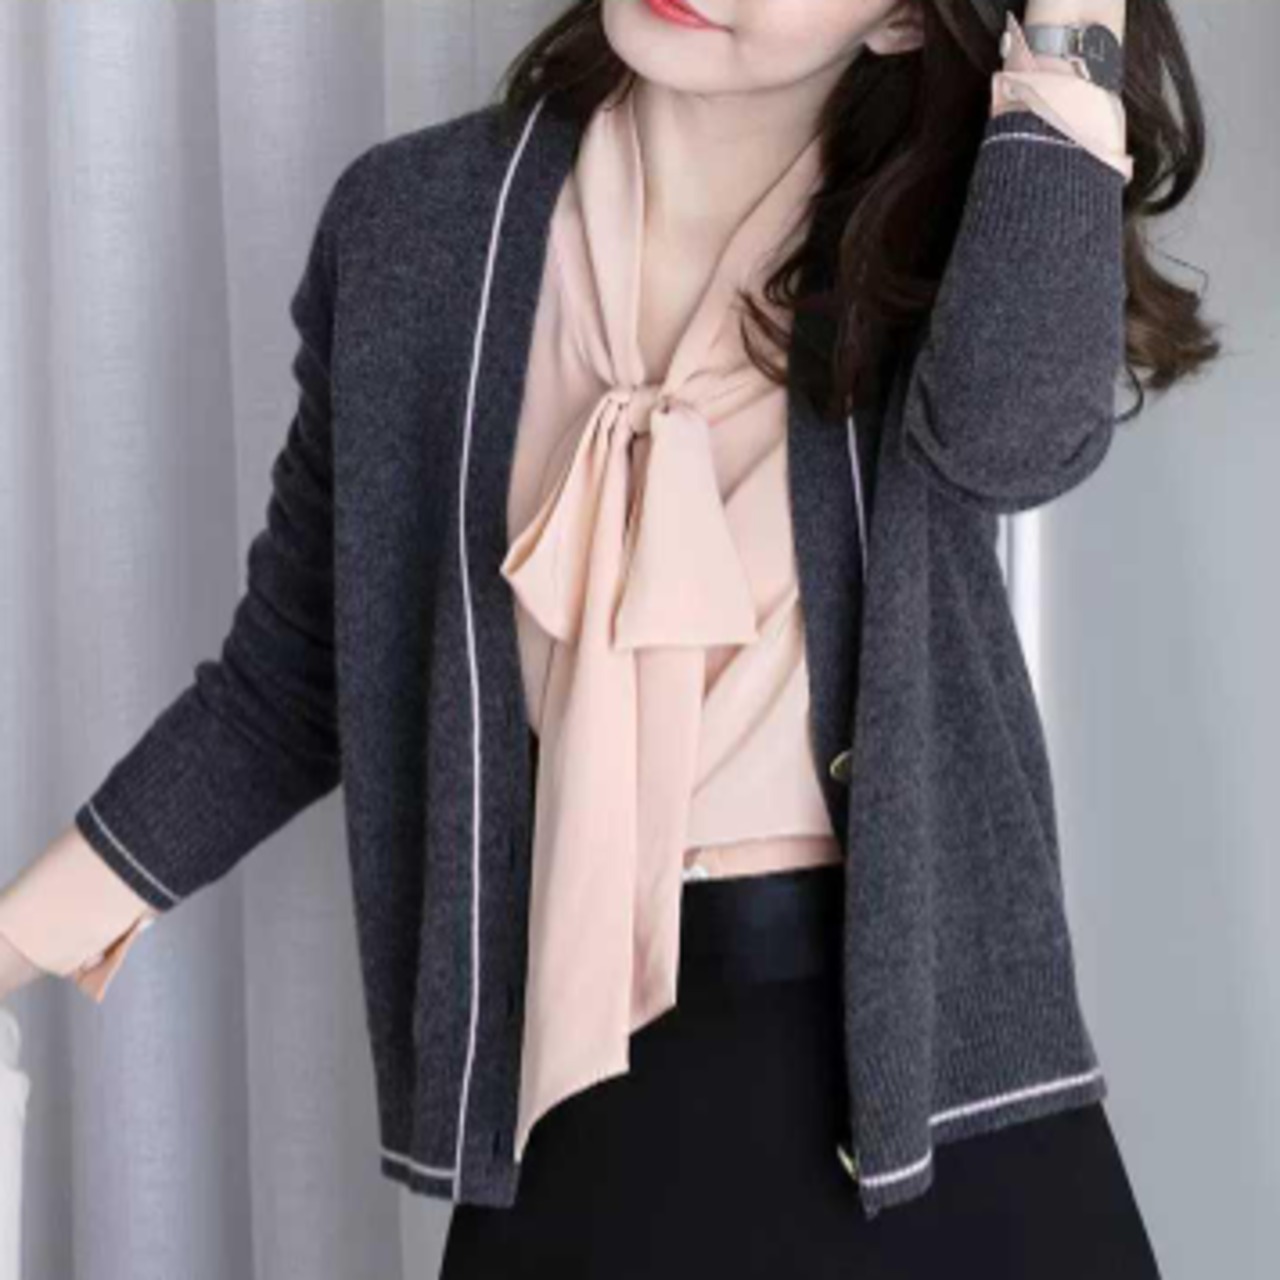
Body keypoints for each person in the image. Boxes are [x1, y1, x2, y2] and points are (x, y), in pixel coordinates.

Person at [0, 1, 1220, 1274]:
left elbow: (1014, 439)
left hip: (931, 1109)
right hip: (582, 1078)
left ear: (906, 19)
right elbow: (290, 683)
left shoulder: (956, 226)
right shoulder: (418, 230)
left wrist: (1071, 32)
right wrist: (15, 939)